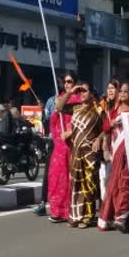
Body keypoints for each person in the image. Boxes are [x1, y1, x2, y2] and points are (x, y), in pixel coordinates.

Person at [63, 82, 107, 228]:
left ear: (92, 94)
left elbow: (106, 128)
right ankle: (77, 216)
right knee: (77, 183)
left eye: (85, 91)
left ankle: (88, 216)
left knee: (89, 183)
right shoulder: (75, 108)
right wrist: (71, 92)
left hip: (90, 151)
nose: (82, 93)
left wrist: (99, 139)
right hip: (76, 151)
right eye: (80, 91)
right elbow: (59, 107)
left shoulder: (98, 109)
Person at [99, 82, 129, 233]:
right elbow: (105, 128)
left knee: (125, 183)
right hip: (116, 152)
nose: (122, 94)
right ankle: (112, 216)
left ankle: (121, 217)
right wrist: (112, 123)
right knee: (114, 184)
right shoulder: (114, 110)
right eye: (121, 91)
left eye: (126, 92)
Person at [47, 72, 80, 222]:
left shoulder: (79, 101)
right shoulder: (59, 99)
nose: (67, 84)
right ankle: (57, 210)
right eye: (65, 82)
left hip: (73, 144)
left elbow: (81, 122)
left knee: (71, 178)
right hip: (60, 146)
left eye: (70, 82)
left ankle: (70, 210)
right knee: (56, 177)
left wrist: (71, 132)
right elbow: (55, 117)